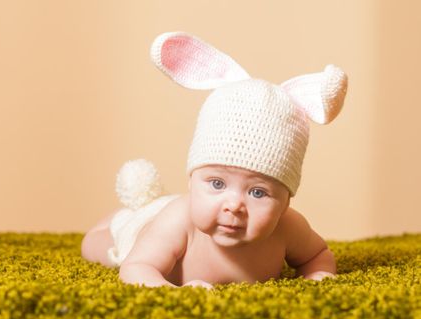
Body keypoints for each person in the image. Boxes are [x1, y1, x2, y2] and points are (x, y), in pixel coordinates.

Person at [81, 32, 348, 289]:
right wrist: (170, 290)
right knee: (100, 243)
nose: (234, 205)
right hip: (142, 231)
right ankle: (128, 211)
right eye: (217, 184)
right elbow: (137, 266)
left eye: (258, 192)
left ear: (285, 200)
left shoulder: (289, 227)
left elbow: (317, 255)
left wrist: (318, 275)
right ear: (192, 179)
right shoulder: (177, 221)